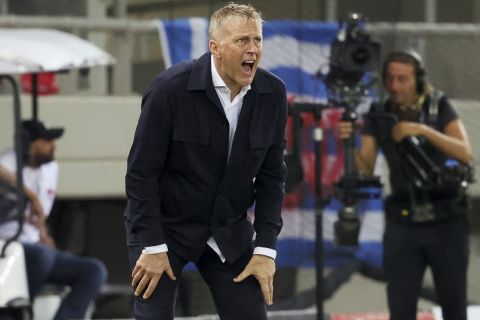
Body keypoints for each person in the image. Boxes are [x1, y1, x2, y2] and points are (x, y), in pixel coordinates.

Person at [124, 2, 288, 319]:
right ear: (215, 47)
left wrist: (266, 249)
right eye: (242, 41)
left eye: (257, 40)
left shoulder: (273, 93)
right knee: (153, 314)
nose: (252, 49)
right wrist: (152, 245)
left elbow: (272, 177)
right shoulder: (169, 89)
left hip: (227, 228)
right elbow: (141, 175)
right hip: (165, 228)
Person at [339, 50, 472, 320]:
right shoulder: (380, 114)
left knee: (453, 303)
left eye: (403, 79)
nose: (395, 86)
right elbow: (365, 167)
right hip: (403, 221)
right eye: (390, 79)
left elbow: (464, 152)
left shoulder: (438, 105)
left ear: (419, 80)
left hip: (446, 220)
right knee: (400, 306)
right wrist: (350, 140)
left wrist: (422, 130)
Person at [0, 119, 108, 320]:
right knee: (42, 256)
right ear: (28, 143)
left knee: (93, 270)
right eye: (46, 141)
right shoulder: (9, 160)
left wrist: (44, 233)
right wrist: (30, 195)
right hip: (8, 248)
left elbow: (39, 216)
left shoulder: (51, 168)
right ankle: (21, 314)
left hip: (34, 245)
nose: (53, 146)